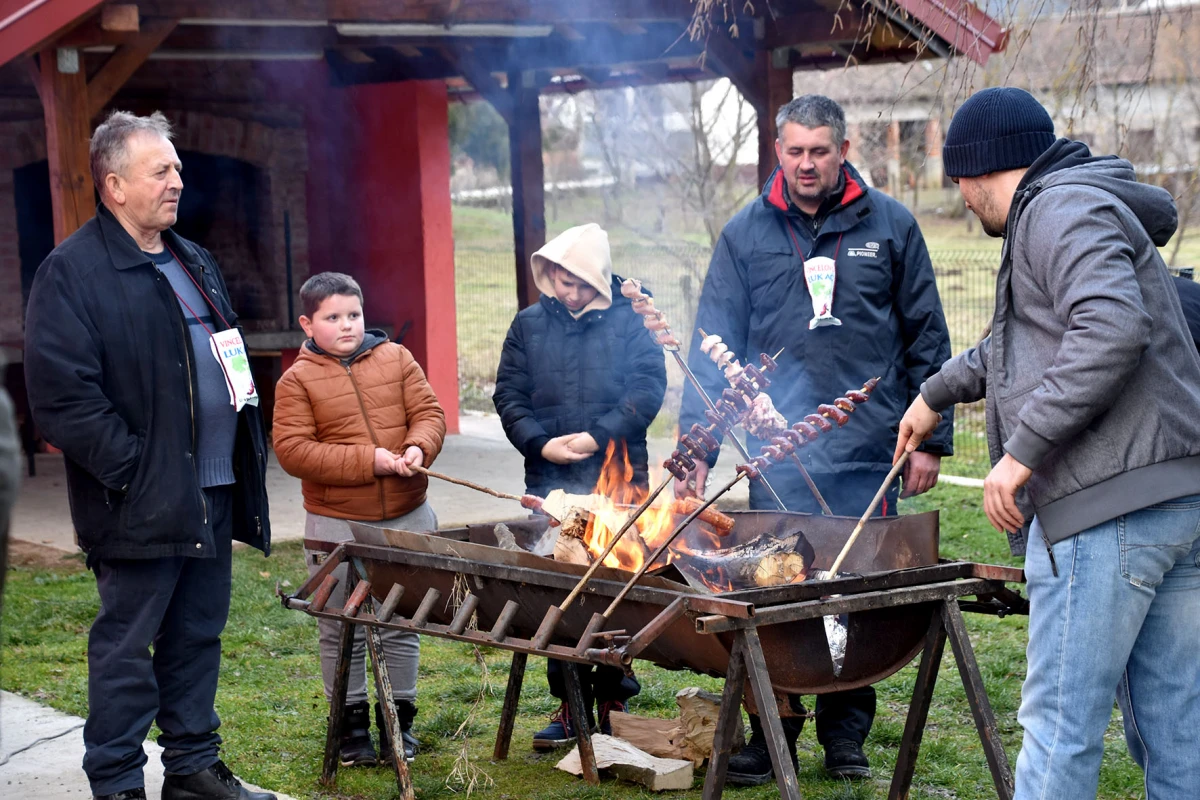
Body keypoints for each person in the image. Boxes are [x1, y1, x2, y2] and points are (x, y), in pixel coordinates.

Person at [896, 87, 1200, 800]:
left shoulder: (1054, 211)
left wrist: (1020, 454)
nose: (964, 201)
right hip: (1176, 501)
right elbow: (1025, 344)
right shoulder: (1079, 205)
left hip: (1103, 511)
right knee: (1177, 729)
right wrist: (933, 393)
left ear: (980, 172)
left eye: (960, 183)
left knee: (1062, 731)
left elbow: (1111, 330)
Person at [677, 94, 954, 783]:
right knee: (776, 595)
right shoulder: (745, 234)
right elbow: (712, 344)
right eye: (795, 151)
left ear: (844, 148)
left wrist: (930, 439)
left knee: (856, 593)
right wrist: (696, 447)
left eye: (820, 151)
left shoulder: (889, 225)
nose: (807, 164)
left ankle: (847, 736)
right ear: (778, 151)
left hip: (872, 449)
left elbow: (927, 333)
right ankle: (777, 734)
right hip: (776, 454)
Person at [23, 111, 273, 800]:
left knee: (197, 636)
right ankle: (117, 781)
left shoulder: (193, 259)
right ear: (114, 185)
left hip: (211, 490)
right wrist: (137, 471)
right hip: (137, 498)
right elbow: (63, 402)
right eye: (160, 170)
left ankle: (192, 768)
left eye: (178, 169)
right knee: (128, 649)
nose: (177, 180)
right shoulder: (72, 273)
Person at [492, 223, 667, 749]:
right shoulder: (527, 325)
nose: (569, 292)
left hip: (617, 474)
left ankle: (614, 695)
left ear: (597, 278)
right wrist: (540, 444)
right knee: (556, 593)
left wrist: (597, 437)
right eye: (560, 281)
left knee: (615, 589)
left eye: (580, 282)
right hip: (551, 479)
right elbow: (509, 395)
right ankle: (569, 703)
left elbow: (646, 389)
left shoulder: (632, 320)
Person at [273, 272, 446, 766]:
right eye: (332, 318)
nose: (347, 325)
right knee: (338, 625)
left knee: (400, 622)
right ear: (308, 323)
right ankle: (349, 731)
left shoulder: (397, 358)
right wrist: (368, 461)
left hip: (408, 516)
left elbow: (429, 413)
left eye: (354, 314)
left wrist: (418, 446)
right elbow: (293, 451)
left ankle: (399, 725)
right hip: (335, 524)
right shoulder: (296, 381)